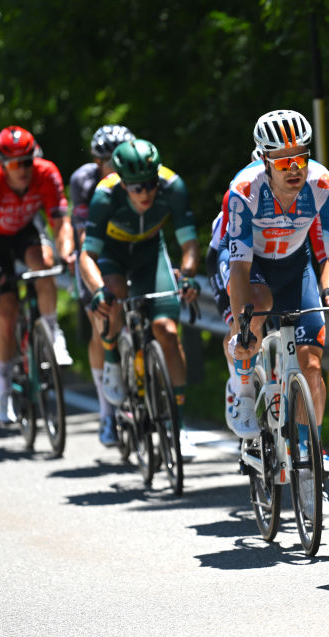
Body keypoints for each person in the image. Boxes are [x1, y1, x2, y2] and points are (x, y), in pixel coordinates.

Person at [225, 110, 329, 516]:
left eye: (301, 157)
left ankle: (308, 455)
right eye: (283, 161)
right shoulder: (244, 189)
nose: (295, 168)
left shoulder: (323, 184)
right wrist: (244, 323)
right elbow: (239, 267)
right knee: (255, 311)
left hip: (296, 267)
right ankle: (242, 386)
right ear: (264, 160)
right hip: (253, 267)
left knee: (312, 363)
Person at [78, 138, 201, 458]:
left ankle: (179, 425)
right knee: (113, 298)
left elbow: (188, 245)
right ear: (122, 182)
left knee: (168, 332)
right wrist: (97, 290)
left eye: (150, 184)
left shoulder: (172, 186)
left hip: (150, 253)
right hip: (112, 254)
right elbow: (87, 255)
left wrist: (187, 275)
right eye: (136, 188)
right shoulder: (105, 194)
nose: (145, 193)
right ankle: (112, 360)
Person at [0, 125, 75, 425]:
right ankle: (3, 386)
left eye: (28, 161)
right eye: (16, 164)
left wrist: (66, 251)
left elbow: (60, 221)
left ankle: (52, 332)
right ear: (3, 164)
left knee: (44, 263)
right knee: (6, 311)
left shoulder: (47, 173)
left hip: (26, 231)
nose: (24, 169)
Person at [69, 124, 136, 446]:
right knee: (102, 322)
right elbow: (84, 234)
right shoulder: (84, 181)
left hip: (131, 250)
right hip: (97, 251)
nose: (120, 162)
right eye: (112, 159)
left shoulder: (139, 172)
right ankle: (107, 413)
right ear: (99, 163)